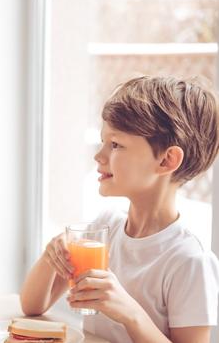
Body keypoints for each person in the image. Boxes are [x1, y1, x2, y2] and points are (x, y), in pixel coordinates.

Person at [20, 76, 219, 343]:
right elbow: (32, 307)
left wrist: (130, 313)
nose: (99, 156)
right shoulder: (105, 228)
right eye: (103, 142)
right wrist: (50, 256)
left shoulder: (188, 260)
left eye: (115, 144)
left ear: (167, 160)